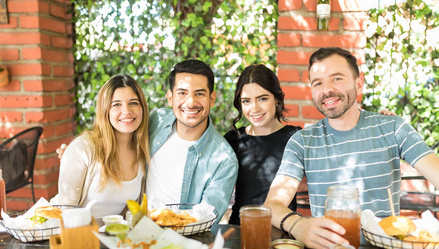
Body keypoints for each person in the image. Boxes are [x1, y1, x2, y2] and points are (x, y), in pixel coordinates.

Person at [264, 47, 439, 249]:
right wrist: (297, 225)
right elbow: (272, 205)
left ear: (358, 83)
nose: (326, 90)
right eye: (318, 83)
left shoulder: (393, 128)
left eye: (336, 79)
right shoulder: (302, 142)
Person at [146, 59, 238, 222]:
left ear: (212, 99)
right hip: (137, 231)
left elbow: (206, 220)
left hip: (184, 241)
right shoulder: (157, 121)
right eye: (182, 93)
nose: (190, 102)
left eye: (200, 94)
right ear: (170, 98)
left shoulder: (224, 160)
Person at [51, 75, 150, 218]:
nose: (127, 111)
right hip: (76, 233)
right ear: (105, 110)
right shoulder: (83, 148)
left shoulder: (142, 150)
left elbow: (130, 211)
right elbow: (66, 210)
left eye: (133, 103)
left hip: (113, 236)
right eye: (116, 104)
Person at [224, 64, 301, 225]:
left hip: (282, 231)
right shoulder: (233, 140)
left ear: (277, 98)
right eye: (246, 101)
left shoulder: (295, 138)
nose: (254, 108)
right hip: (240, 230)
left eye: (262, 98)